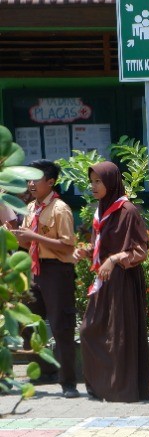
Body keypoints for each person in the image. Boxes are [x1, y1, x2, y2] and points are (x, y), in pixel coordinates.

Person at [75, 161, 149, 403]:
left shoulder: (127, 210)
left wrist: (115, 259)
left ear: (112, 182)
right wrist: (87, 251)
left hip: (122, 280)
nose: (94, 186)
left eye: (99, 181)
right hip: (103, 279)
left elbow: (141, 251)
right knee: (89, 329)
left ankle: (122, 390)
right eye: (92, 181)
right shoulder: (101, 209)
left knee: (119, 334)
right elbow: (102, 245)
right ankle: (99, 385)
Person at [13, 160, 79, 398]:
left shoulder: (60, 209)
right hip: (35, 269)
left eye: (35, 179)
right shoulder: (30, 208)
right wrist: (16, 235)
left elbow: (66, 246)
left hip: (57, 271)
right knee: (27, 321)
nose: (30, 184)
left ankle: (68, 383)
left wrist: (34, 237)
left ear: (50, 182)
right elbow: (26, 242)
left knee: (62, 327)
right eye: (29, 179)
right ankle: (46, 369)